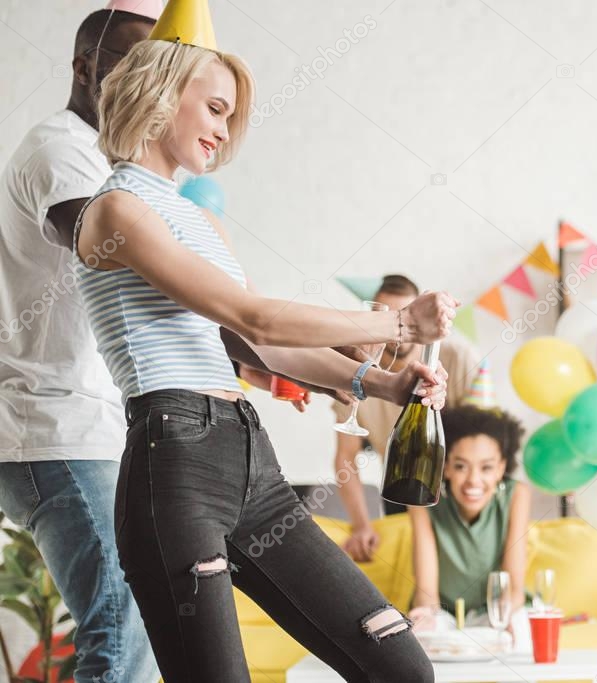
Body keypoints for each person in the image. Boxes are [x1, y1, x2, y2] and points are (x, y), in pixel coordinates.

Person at [72, 3, 454, 679]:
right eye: (215, 108)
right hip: (175, 463)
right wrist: (395, 326)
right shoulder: (116, 209)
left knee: (400, 664)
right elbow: (255, 317)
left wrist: (385, 381)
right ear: (162, 91)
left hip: (253, 465)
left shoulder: (199, 222)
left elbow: (259, 349)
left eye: (229, 117)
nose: (223, 130)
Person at [0, 7, 161, 682]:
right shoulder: (61, 149)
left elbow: (156, 298)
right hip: (56, 428)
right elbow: (109, 250)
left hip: (89, 428)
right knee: (120, 628)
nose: (140, 81)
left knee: (134, 625)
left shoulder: (112, 162)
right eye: (126, 62)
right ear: (83, 67)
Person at [333, 274, 483, 560]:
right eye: (389, 319)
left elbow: (485, 435)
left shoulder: (456, 358)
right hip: (400, 491)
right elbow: (345, 456)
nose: (397, 328)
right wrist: (361, 525)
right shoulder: (355, 370)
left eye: (403, 317)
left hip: (457, 493)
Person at [406, 405, 532, 650]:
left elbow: (513, 585)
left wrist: (503, 621)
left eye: (486, 467)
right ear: (446, 467)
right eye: (461, 466)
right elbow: (426, 590)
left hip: (498, 610)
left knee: (518, 635)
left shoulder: (517, 495)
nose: (474, 480)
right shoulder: (423, 502)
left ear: (501, 468)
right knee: (420, 641)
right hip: (444, 615)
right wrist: (425, 618)